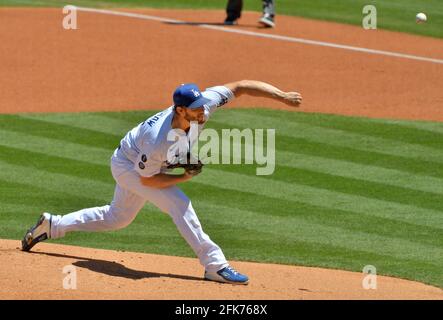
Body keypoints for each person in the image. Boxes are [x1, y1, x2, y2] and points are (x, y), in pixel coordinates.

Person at [21, 80, 302, 285]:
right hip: (128, 166)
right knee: (179, 203)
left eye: (202, 105)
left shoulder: (203, 105)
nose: (203, 111)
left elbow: (241, 86)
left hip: (144, 163)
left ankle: (53, 224)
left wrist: (282, 96)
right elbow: (149, 179)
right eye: (195, 108)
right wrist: (185, 175)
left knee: (117, 217)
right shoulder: (157, 139)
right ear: (180, 110)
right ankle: (214, 265)